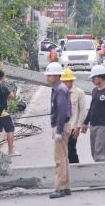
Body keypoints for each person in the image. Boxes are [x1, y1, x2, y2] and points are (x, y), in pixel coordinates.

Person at [44, 62, 72, 199]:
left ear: (55, 76)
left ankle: (60, 188)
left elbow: (61, 111)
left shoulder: (60, 89)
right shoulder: (60, 88)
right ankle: (65, 186)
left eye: (49, 75)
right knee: (64, 157)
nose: (47, 78)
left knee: (59, 159)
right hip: (63, 125)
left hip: (60, 125)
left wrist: (59, 131)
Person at [81, 64, 105, 162]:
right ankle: (97, 168)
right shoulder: (94, 91)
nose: (92, 80)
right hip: (93, 125)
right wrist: (85, 122)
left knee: (99, 154)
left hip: (103, 126)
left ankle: (100, 170)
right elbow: (92, 108)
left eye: (94, 77)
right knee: (94, 153)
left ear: (100, 77)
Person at [60, 68, 87, 164]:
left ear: (71, 81)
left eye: (65, 82)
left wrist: (78, 127)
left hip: (73, 127)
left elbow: (82, 111)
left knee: (71, 149)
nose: (63, 84)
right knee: (64, 151)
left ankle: (76, 168)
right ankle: (68, 168)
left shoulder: (79, 92)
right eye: (62, 82)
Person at [0, 70, 17, 156]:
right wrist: (10, 91)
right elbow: (11, 96)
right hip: (3, 112)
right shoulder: (3, 87)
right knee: (10, 130)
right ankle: (11, 151)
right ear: (2, 77)